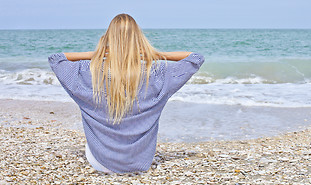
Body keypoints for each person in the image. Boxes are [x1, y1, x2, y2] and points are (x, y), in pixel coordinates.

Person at [48, 14, 205, 173]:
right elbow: (195, 58)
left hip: (100, 162)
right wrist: (155, 55)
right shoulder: (156, 74)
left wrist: (95, 54)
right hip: (141, 162)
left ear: (109, 38)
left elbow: (56, 59)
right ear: (138, 38)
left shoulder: (91, 72)